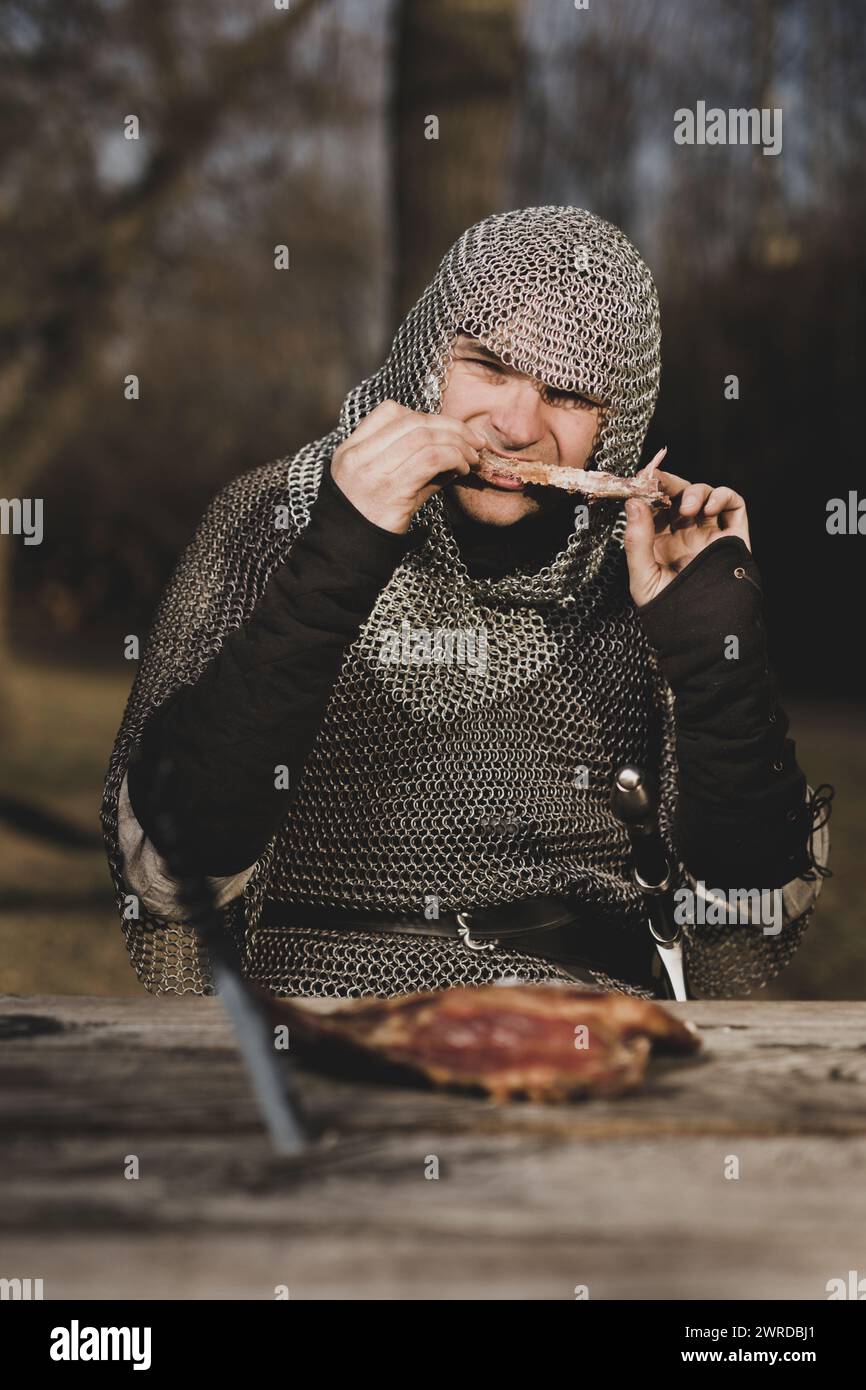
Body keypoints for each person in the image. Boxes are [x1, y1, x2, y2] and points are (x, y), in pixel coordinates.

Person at [102, 206, 831, 1000]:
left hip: (589, 1042)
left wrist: (712, 646)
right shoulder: (275, 516)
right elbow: (169, 867)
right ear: (428, 355)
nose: (516, 426)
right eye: (488, 366)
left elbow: (753, 904)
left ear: (616, 421)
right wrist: (338, 556)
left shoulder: (643, 567)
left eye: (569, 393)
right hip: (322, 1032)